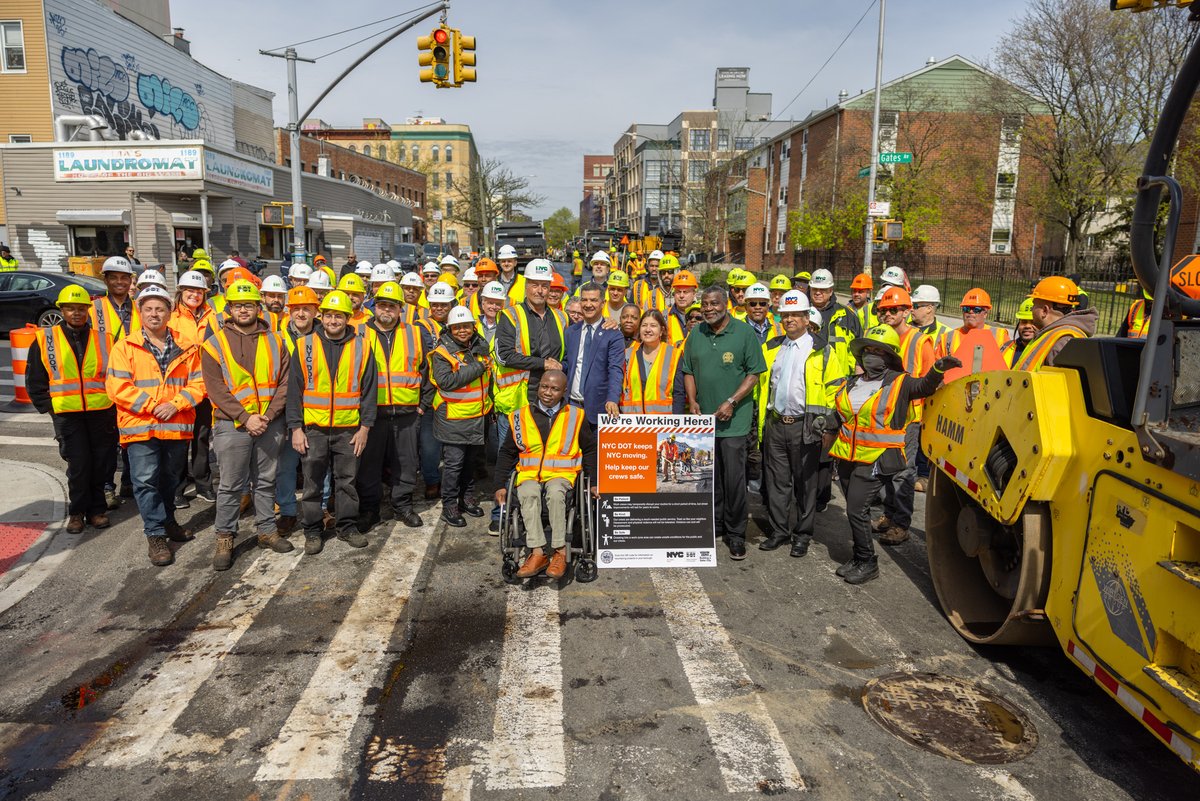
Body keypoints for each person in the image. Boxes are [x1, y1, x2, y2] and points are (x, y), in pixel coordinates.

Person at [830, 326, 959, 585]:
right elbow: (845, 415)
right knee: (855, 510)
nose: (871, 356)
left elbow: (924, 386)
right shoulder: (854, 381)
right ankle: (858, 555)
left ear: (889, 356)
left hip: (878, 458)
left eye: (878, 351)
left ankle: (867, 561)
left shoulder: (900, 382)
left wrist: (937, 369)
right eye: (867, 350)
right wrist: (826, 420)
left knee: (856, 509)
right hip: (846, 456)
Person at [105, 285, 204, 566]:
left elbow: (199, 383)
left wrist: (176, 404)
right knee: (145, 481)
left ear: (169, 312)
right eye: (148, 309)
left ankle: (169, 521)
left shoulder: (186, 345)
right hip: (140, 426)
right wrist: (152, 406)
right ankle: (156, 534)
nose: (154, 314)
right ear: (140, 312)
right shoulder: (125, 346)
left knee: (171, 480)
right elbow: (117, 387)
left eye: (160, 309)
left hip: (175, 424)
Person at [200, 279, 291, 571]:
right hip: (232, 425)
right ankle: (225, 537)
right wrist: (245, 417)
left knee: (266, 480)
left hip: (269, 423)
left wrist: (269, 414)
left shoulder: (276, 340)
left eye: (248, 304)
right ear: (229, 308)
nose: (243, 309)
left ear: (258, 307)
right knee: (230, 485)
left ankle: (266, 530)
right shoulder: (214, 344)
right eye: (238, 305)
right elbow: (215, 389)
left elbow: (286, 383)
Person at [756, 290, 847, 557]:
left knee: (806, 485)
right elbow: (761, 388)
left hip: (806, 426)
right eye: (785, 315)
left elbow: (836, 391)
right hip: (775, 424)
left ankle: (802, 535)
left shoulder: (822, 350)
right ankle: (780, 531)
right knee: (776, 482)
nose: (789, 319)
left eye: (795, 314)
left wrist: (829, 425)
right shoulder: (771, 348)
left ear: (807, 318)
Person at [286, 290, 377, 555]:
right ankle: (313, 530)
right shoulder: (304, 346)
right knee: (313, 482)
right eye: (328, 315)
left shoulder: (362, 346)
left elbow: (370, 390)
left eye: (339, 315)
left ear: (348, 318)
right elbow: (294, 391)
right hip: (313, 429)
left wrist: (365, 428)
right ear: (320, 316)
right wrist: (295, 429)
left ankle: (347, 526)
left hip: (349, 429)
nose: (333, 320)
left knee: (347, 482)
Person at [683, 286, 767, 560]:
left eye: (714, 303)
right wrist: (692, 401)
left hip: (735, 424)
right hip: (704, 424)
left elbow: (754, 373)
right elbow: (689, 371)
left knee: (733, 481)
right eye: (705, 304)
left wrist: (732, 401)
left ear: (727, 304)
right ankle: (715, 525)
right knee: (710, 479)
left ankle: (736, 534)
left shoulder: (744, 334)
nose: (708, 308)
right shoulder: (696, 333)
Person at [27, 285, 119, 534]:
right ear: (62, 310)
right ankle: (77, 512)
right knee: (78, 465)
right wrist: (51, 409)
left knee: (101, 463)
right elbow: (35, 380)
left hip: (101, 412)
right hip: (67, 415)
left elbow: (116, 376)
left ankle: (97, 510)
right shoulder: (45, 339)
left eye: (81, 309)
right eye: (70, 309)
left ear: (88, 311)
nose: (76, 313)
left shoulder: (105, 339)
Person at [494, 370, 584, 579]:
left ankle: (560, 551)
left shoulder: (575, 415)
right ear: (538, 386)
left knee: (554, 493)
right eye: (544, 386)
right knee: (528, 493)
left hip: (561, 475)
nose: (548, 392)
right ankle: (537, 553)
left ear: (564, 392)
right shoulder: (520, 415)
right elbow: (507, 452)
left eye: (554, 389)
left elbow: (589, 450)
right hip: (529, 475)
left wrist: (595, 483)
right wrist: (499, 484)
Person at [357, 281, 429, 532]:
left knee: (406, 463)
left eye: (392, 306)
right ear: (374, 307)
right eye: (382, 305)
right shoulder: (359, 334)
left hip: (407, 413)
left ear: (401, 309)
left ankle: (402, 506)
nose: (386, 310)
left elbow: (427, 373)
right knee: (369, 464)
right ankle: (369, 509)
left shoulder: (415, 333)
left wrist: (421, 406)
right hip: (371, 414)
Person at [871, 287, 935, 547]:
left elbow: (932, 380)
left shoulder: (920, 341)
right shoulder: (881, 338)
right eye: (883, 310)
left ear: (907, 311)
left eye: (893, 309)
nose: (887, 314)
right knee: (886, 470)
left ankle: (901, 524)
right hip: (883, 415)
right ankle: (890, 514)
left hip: (908, 418)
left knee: (903, 473)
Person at [429, 306, 492, 527]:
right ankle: (450, 504)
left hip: (477, 416)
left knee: (470, 463)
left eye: (466, 326)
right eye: (457, 327)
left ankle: (466, 498)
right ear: (450, 329)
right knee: (454, 465)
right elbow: (446, 381)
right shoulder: (442, 353)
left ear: (473, 327)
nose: (462, 330)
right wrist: (478, 367)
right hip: (453, 418)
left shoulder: (480, 346)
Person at [564, 282, 626, 484]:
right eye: (584, 300)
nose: (588, 304)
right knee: (571, 462)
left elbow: (616, 369)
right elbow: (568, 363)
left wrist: (612, 398)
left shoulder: (613, 334)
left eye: (593, 300)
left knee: (596, 465)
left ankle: (593, 507)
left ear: (602, 303)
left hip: (597, 408)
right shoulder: (571, 332)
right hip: (572, 407)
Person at [276, 286, 321, 535]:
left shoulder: (325, 335)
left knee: (317, 465)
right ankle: (288, 511)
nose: (301, 314)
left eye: (306, 309)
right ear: (289, 311)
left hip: (317, 409)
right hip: (284, 409)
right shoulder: (277, 337)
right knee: (286, 465)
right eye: (296, 309)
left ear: (316, 311)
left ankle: (321, 509)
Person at [1014, 276, 1097, 370]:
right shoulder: (1052, 335)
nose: (1032, 309)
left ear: (1044, 310)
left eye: (1034, 305)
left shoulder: (1064, 341)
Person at [621, 309, 685, 415]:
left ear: (661, 331)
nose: (648, 329)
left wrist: (676, 424)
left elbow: (679, 394)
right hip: (632, 424)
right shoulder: (626, 354)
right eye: (644, 325)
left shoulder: (674, 355)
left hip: (664, 425)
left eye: (653, 326)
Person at [934, 288, 1011, 358]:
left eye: (976, 309)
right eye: (966, 308)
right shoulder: (948, 338)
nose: (970, 312)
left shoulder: (999, 336)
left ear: (985, 314)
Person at [666, 270, 699, 345]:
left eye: (685, 292)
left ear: (694, 293)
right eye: (678, 292)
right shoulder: (663, 315)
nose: (681, 296)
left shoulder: (702, 315)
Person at [1003, 299, 1038, 367]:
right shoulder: (1007, 347)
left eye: (1033, 322)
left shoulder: (1046, 351)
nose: (1028, 326)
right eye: (1024, 321)